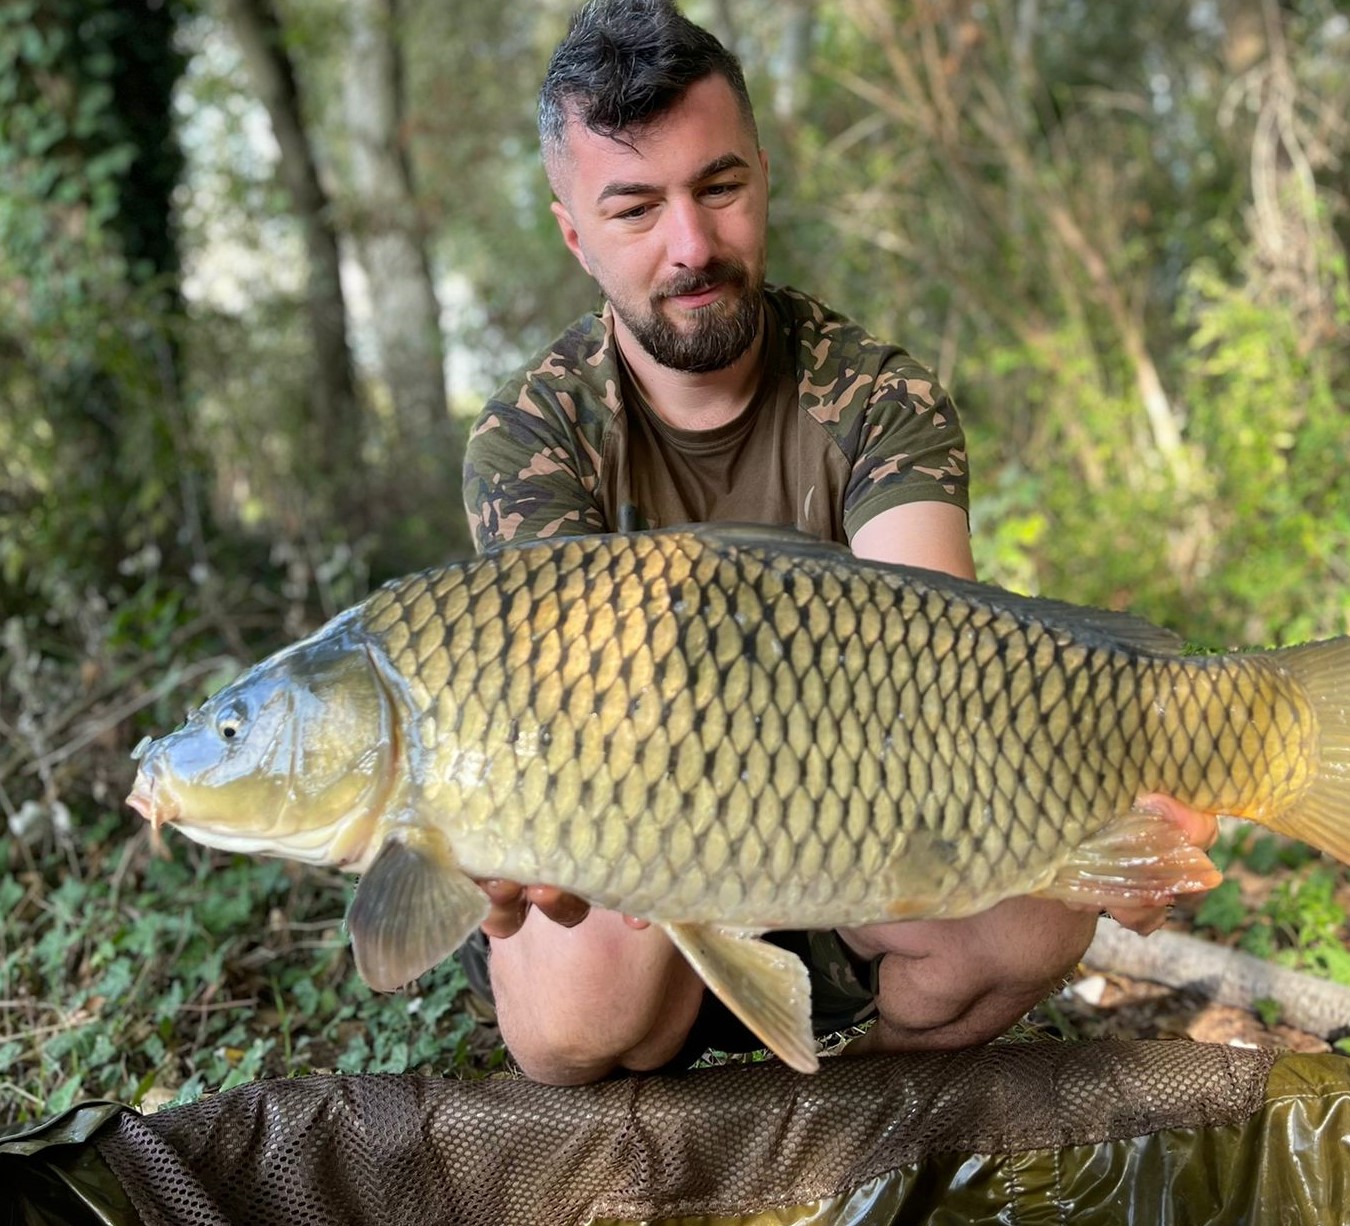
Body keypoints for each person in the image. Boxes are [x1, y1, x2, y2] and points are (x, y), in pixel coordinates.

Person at [461, 0, 1216, 1085]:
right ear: (575, 234)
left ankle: (844, 1122)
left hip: (844, 844)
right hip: (633, 868)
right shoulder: (532, 436)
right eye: (634, 209)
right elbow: (565, 730)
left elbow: (942, 680)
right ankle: (680, 1093)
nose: (691, 245)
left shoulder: (876, 394)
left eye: (717, 187)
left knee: (1033, 924)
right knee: (584, 1011)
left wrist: (1110, 808)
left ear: (763, 177)